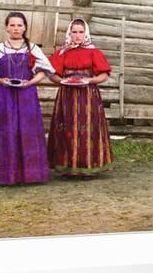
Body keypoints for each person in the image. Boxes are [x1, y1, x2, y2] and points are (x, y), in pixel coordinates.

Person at [0, 12, 55, 186]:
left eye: (19, 25)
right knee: (4, 130)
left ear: (25, 27)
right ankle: (2, 175)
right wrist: (2, 81)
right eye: (12, 25)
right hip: (3, 96)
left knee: (27, 131)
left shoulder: (33, 49)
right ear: (6, 27)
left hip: (27, 95)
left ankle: (31, 175)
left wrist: (30, 83)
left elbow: (44, 71)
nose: (16, 28)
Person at [47, 18, 114, 178]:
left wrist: (89, 80)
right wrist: (62, 80)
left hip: (88, 96)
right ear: (69, 33)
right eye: (74, 32)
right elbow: (52, 74)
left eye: (81, 32)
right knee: (67, 128)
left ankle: (89, 165)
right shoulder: (62, 52)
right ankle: (67, 166)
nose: (78, 35)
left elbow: (104, 75)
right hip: (67, 97)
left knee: (88, 128)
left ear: (86, 33)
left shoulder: (94, 52)